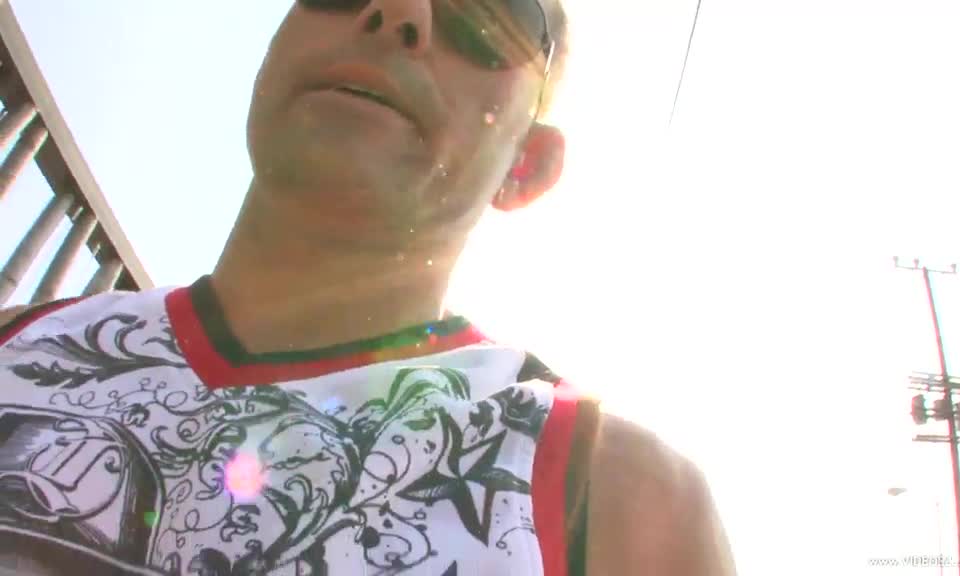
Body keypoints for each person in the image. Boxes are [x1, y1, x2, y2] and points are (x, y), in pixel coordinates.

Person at [0, 0, 735, 574]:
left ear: (526, 164)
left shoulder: (623, 505)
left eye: (487, 15)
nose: (397, 10)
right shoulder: (16, 342)